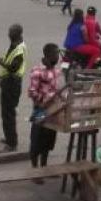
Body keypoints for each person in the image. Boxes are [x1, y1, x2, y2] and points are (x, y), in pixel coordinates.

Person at [0, 24, 28, 153]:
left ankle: (11, 143)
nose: (9, 35)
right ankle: (9, 137)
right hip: (8, 83)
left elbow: (12, 67)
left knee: (8, 113)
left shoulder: (19, 50)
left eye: (11, 33)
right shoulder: (14, 45)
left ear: (17, 34)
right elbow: (7, 60)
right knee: (6, 112)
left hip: (12, 83)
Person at [27, 43, 61, 176]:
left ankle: (44, 168)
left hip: (53, 109)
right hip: (41, 110)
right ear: (48, 55)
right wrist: (43, 101)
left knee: (48, 140)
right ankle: (35, 171)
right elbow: (32, 92)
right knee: (37, 140)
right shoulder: (37, 71)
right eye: (55, 54)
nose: (57, 57)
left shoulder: (55, 70)